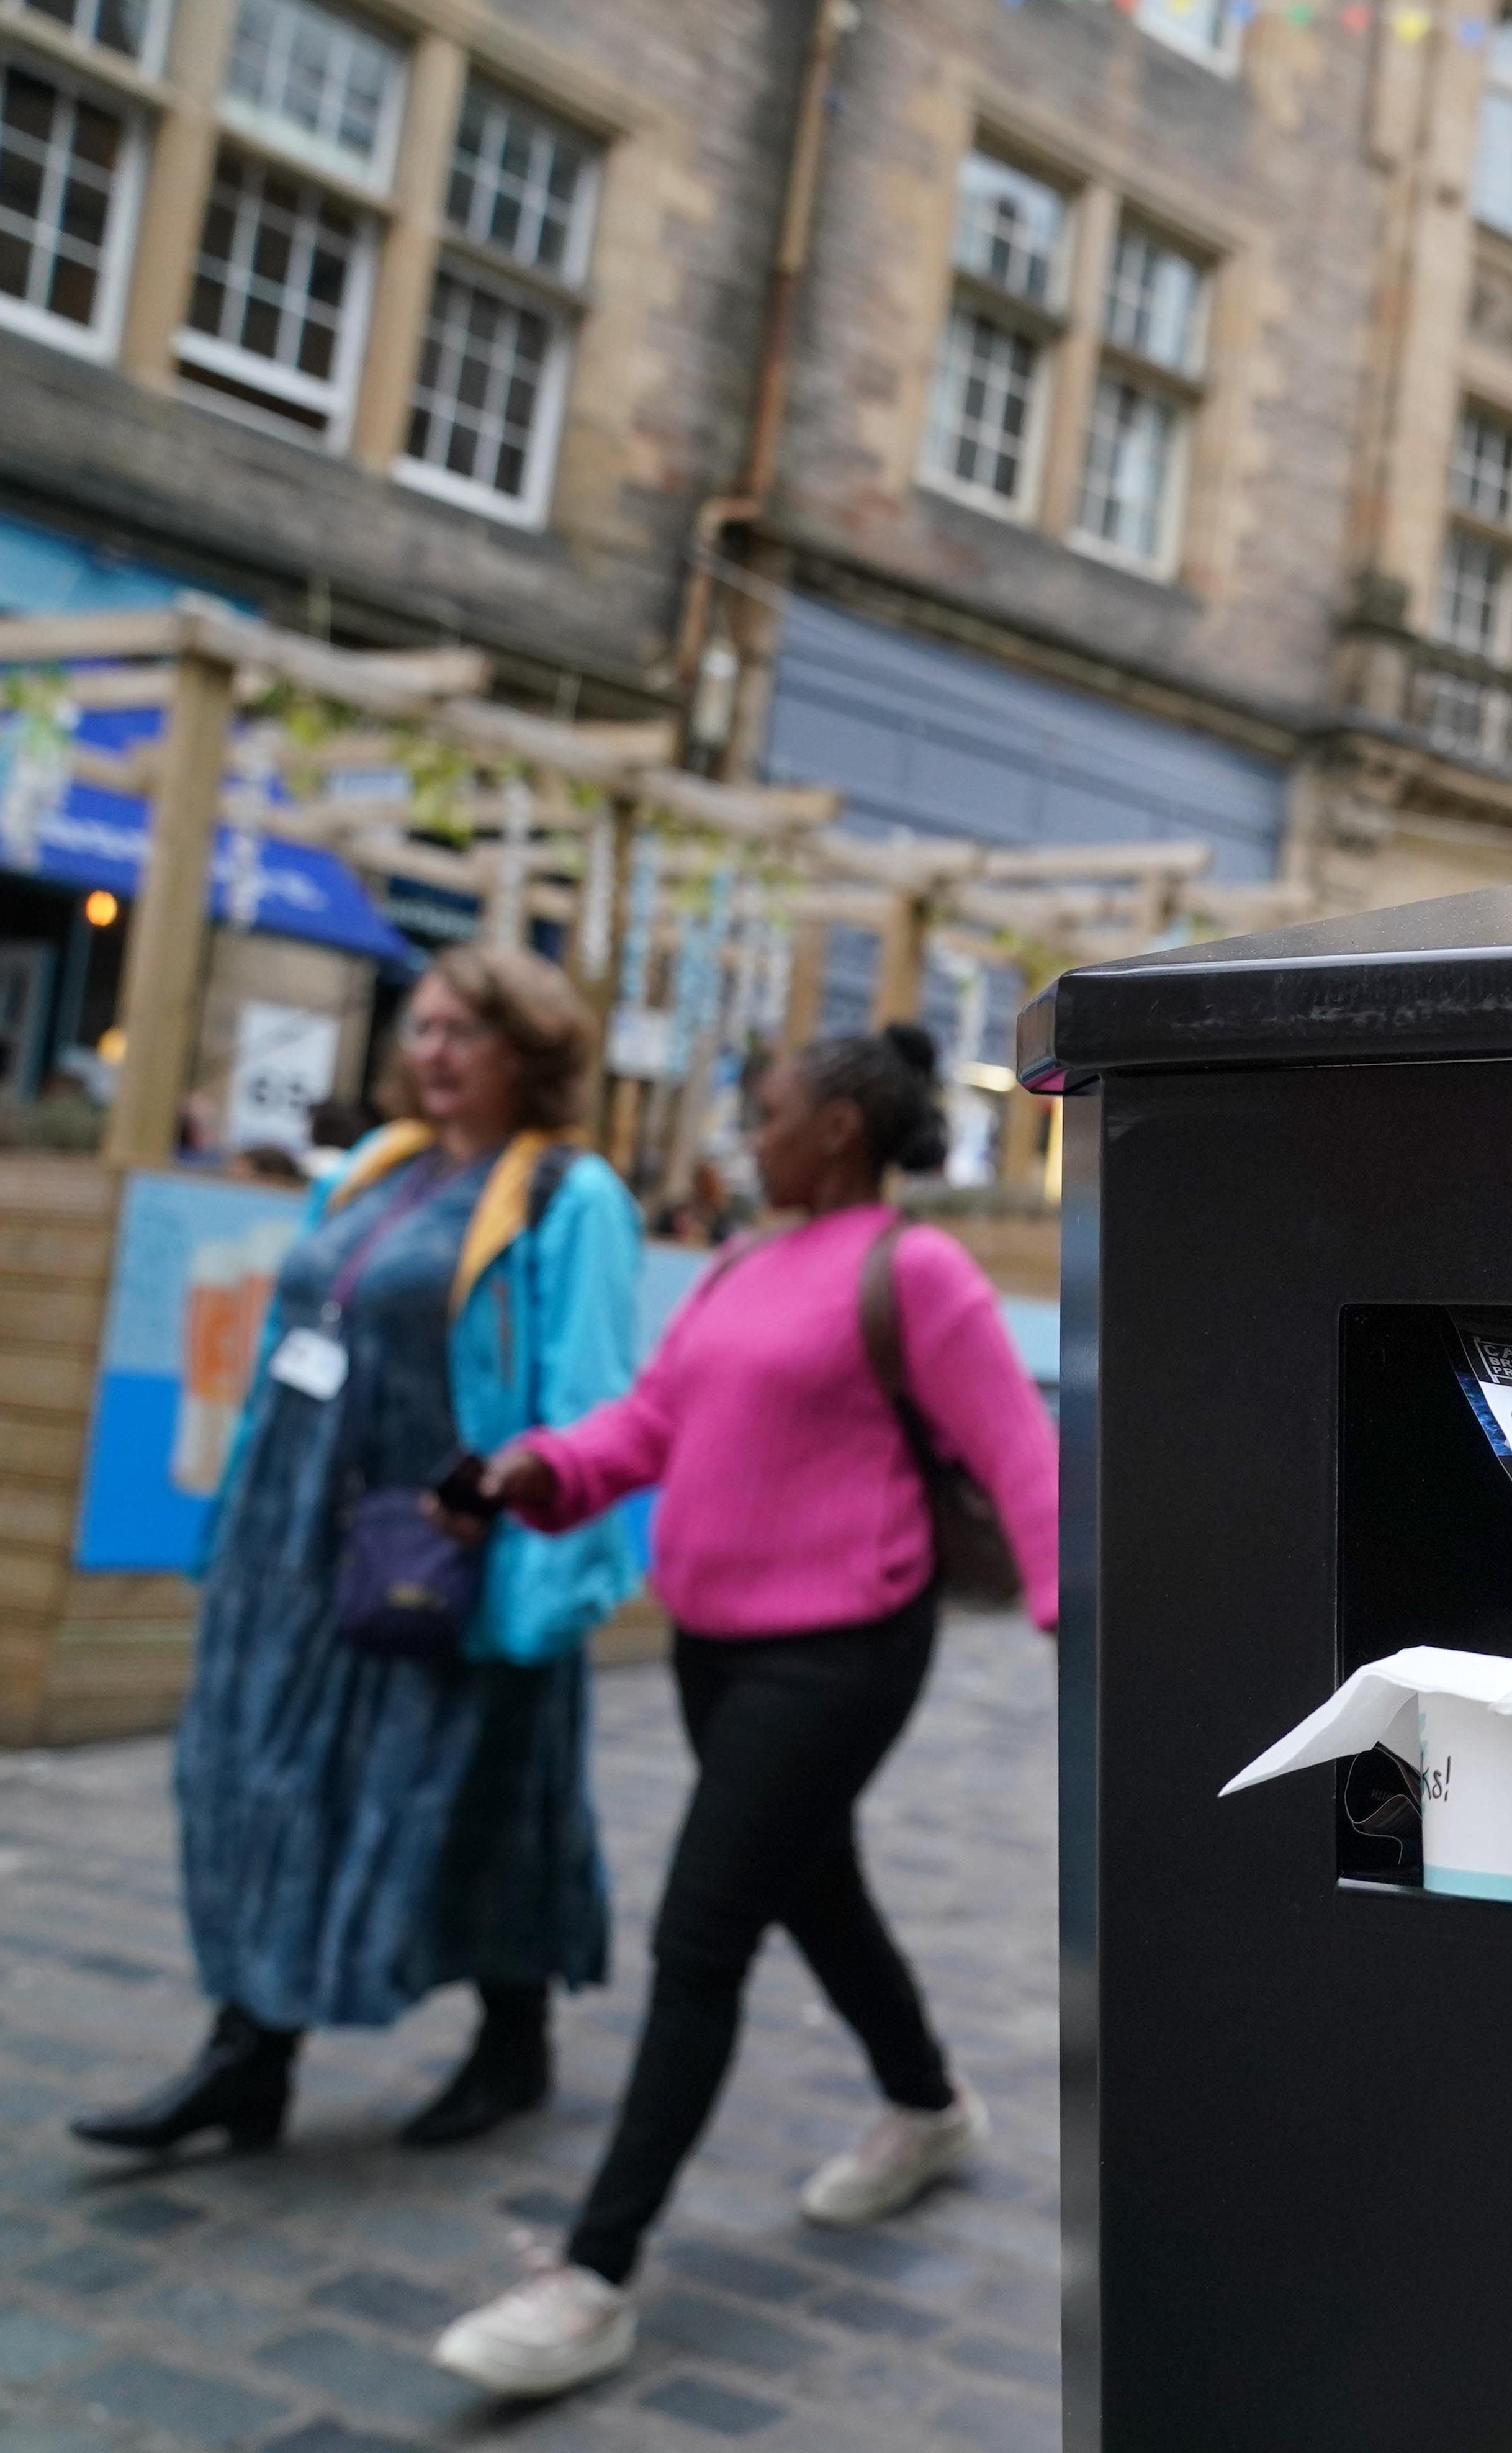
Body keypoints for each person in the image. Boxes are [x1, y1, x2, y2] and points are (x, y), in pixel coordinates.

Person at [430, 1024, 1058, 2400]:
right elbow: (649, 1426)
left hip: (841, 1651)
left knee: (704, 1927)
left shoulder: (921, 1271)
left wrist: (1081, 1626)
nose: (743, 1134)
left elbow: (1021, 1450)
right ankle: (931, 2104)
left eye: (762, 1110)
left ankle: (592, 2275)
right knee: (815, 1891)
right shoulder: (742, 1262)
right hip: (716, 1649)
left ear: (838, 1124)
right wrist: (535, 1467)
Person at [71, 949, 642, 2159]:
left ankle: (512, 2037)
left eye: (464, 1032)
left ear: (525, 1052)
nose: (432, 1050)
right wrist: (238, 1523)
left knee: (467, 1787)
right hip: (297, 1535)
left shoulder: (567, 1193)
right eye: (423, 1027)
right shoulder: (380, 1164)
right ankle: (249, 2051)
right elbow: (292, 1336)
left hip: (440, 1546)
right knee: (270, 1772)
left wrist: (536, 1560)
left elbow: (589, 1387)